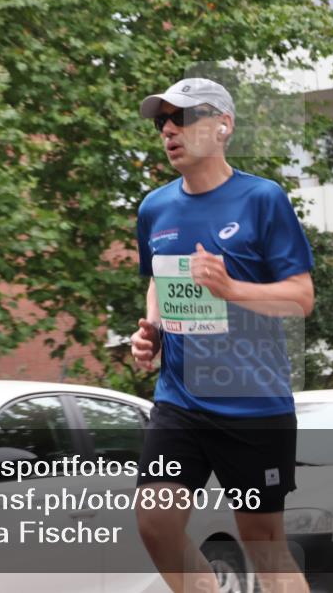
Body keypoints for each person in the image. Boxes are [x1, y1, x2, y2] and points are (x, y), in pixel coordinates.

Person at [131, 77, 314, 593]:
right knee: (155, 523)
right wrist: (151, 332)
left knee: (263, 546)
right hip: (181, 402)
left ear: (222, 126)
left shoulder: (262, 199)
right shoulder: (155, 209)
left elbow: (300, 298)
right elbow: (158, 281)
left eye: (182, 117)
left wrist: (232, 288)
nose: (168, 129)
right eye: (161, 120)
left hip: (253, 407)